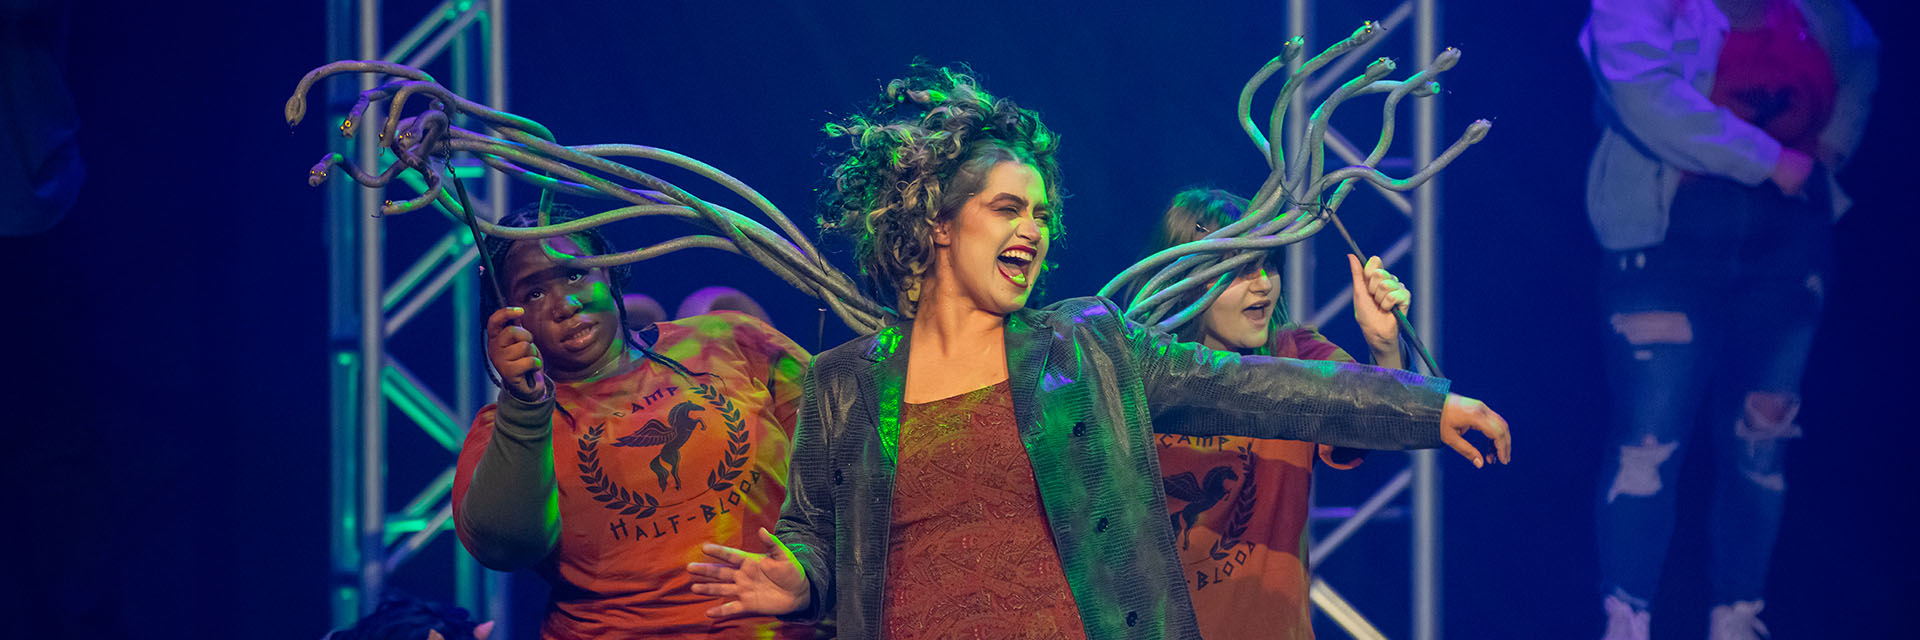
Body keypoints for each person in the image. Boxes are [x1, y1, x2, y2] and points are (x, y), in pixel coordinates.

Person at [685, 64, 1510, 640]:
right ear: (938, 223)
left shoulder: (1086, 347)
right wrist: (799, 577)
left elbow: (1266, 388)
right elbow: (817, 532)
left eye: (1043, 215)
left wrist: (1429, 405)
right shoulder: (845, 385)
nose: (1033, 231)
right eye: (1009, 208)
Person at [1580, 0, 1876, 638]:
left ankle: (1738, 619)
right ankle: (1626, 619)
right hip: (1666, 242)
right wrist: (1769, 158)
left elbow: (1860, 54)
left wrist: (1830, 148)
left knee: (1761, 440)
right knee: (1649, 440)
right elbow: (1643, 97)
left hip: (1787, 243)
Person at [450, 203, 820, 638]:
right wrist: (524, 408)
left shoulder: (731, 339)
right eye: (533, 293)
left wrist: (814, 575)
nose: (566, 304)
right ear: (505, 318)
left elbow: (851, 459)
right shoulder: (505, 429)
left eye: (575, 274)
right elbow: (505, 547)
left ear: (608, 271)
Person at [1138, 188, 1411, 640]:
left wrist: (1385, 349)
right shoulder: (1138, 372)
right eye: (1238, 270)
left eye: (1268, 264)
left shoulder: (1294, 354)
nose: (1262, 283)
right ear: (1183, 277)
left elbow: (1373, 419)